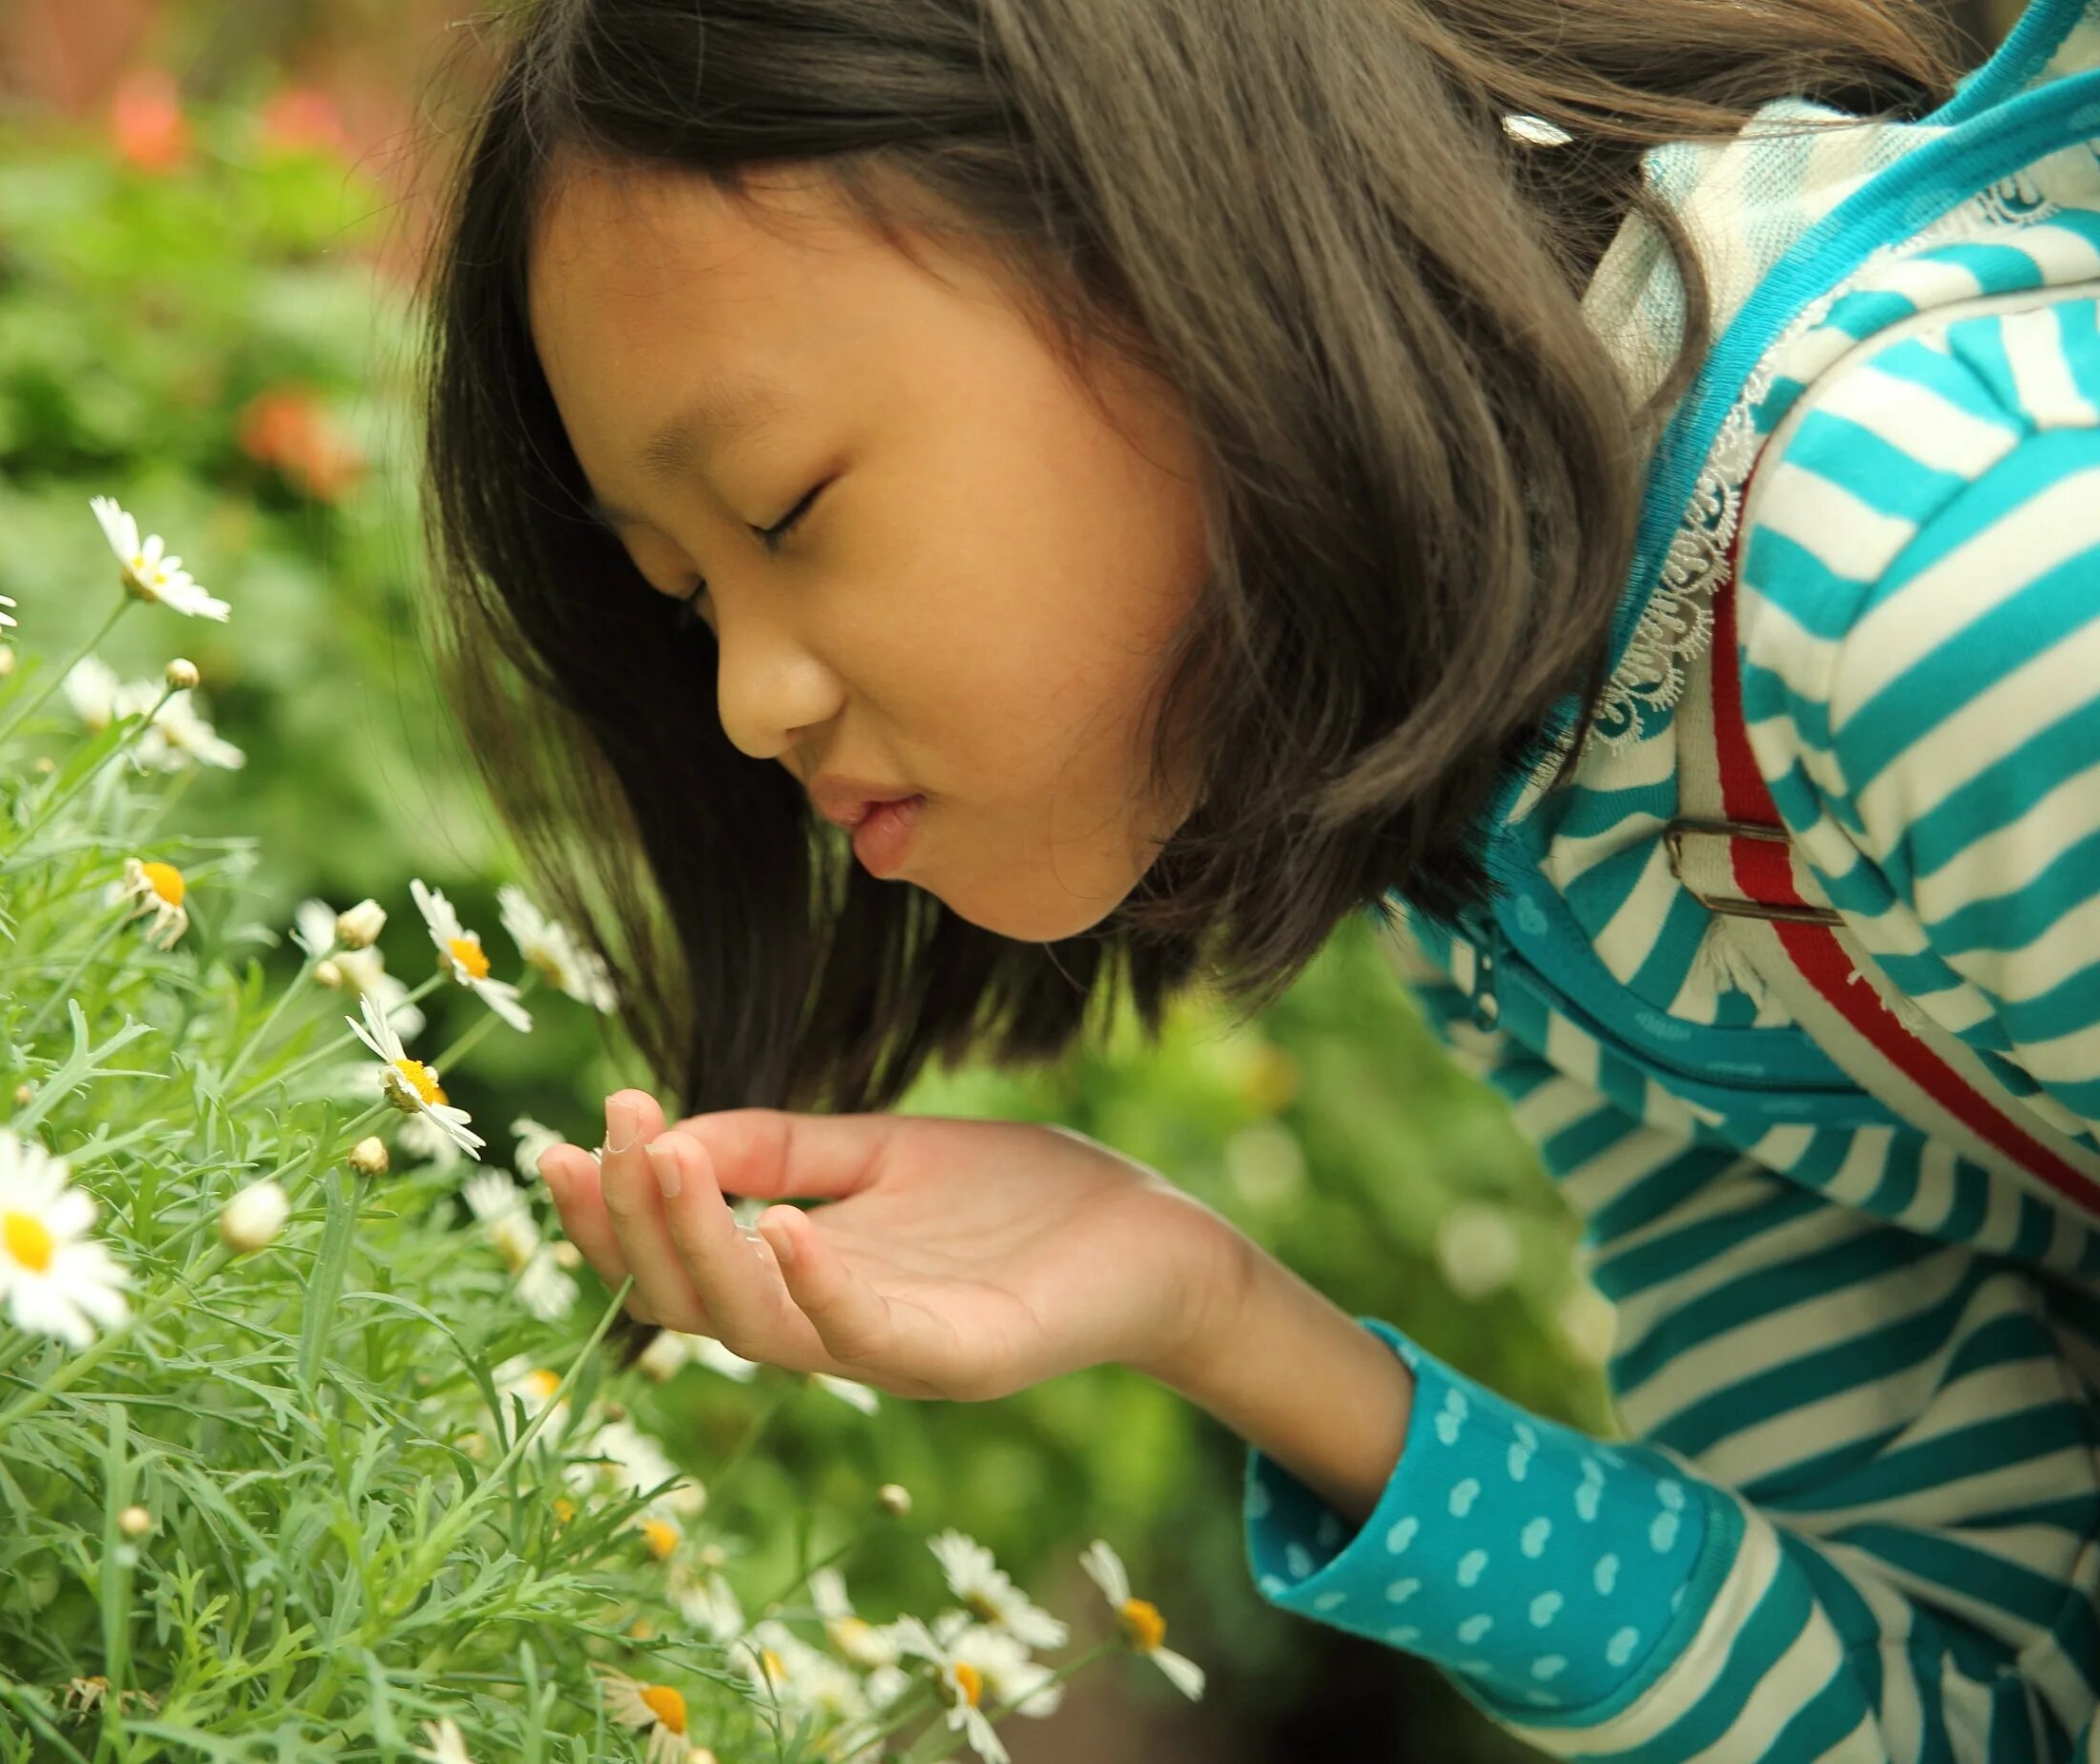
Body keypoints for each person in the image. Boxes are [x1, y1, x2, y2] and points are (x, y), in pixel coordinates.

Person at [413, 0, 2100, 1754]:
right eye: (687, 599)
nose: (749, 699)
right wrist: (1215, 1315)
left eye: (781, 510)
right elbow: (1969, 1702)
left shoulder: (1945, 599)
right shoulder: (1548, 837)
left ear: (1178, 242)